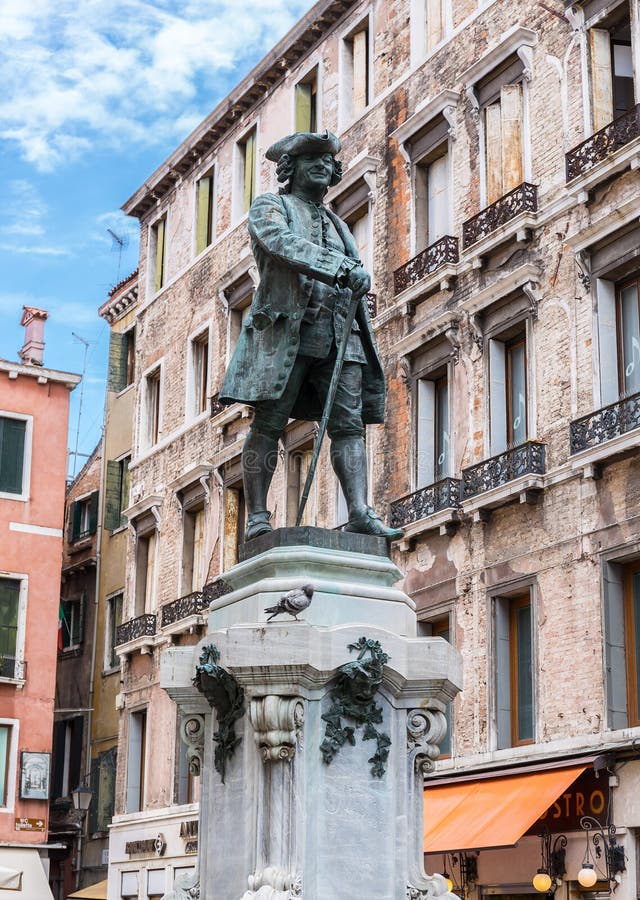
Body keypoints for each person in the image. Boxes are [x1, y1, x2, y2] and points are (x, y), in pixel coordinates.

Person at [219, 130, 404, 542]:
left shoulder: (339, 224)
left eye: (327, 161)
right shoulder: (271, 207)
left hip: (341, 334)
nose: (323, 165)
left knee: (349, 425)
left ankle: (359, 510)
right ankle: (257, 517)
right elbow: (282, 245)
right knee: (268, 422)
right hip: (288, 333)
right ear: (291, 168)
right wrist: (341, 269)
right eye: (312, 159)